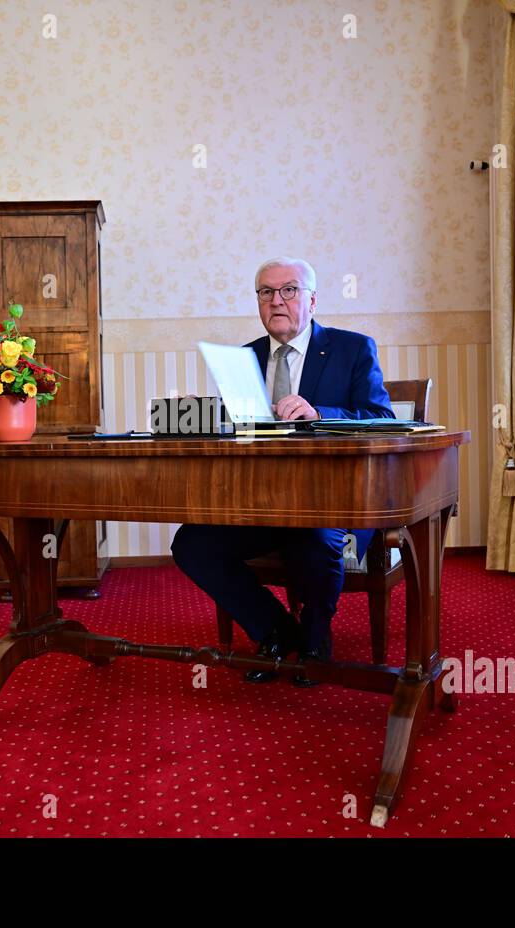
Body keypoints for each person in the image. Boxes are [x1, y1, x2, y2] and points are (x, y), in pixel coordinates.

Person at [171, 257, 393, 686]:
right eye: (266, 292)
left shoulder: (353, 348)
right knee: (192, 543)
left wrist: (319, 412)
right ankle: (273, 628)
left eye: (289, 290)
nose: (277, 301)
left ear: (312, 299)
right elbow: (243, 436)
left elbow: (380, 416)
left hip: (335, 502)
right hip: (264, 502)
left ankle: (313, 640)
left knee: (312, 534)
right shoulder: (245, 357)